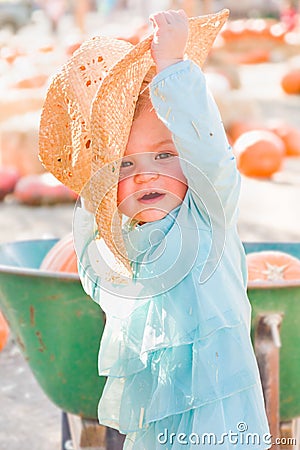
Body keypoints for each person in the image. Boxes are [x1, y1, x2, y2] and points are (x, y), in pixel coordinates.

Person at [39, 9, 271, 449]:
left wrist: (173, 70)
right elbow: (96, 246)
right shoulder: (121, 248)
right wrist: (98, 178)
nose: (146, 173)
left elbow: (209, 151)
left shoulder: (208, 214)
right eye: (126, 163)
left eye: (165, 154)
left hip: (223, 428)